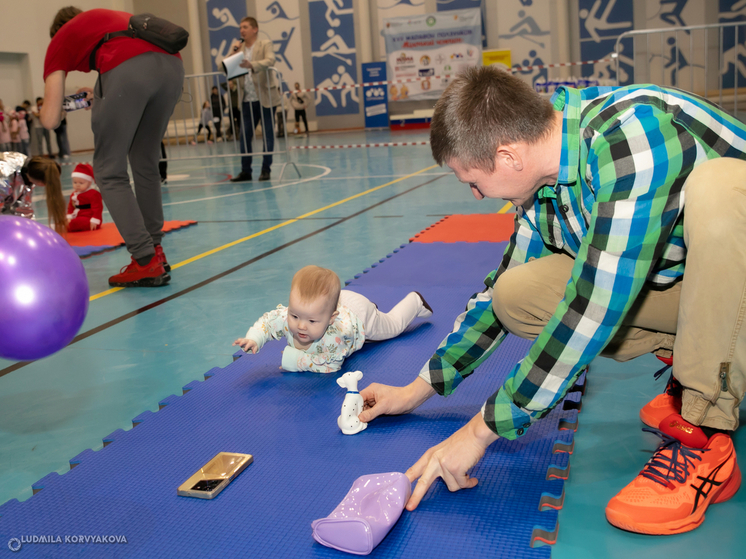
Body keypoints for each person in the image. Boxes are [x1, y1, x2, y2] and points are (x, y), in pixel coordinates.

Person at [358, 66, 746, 535]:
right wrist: (416, 390)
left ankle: (704, 432)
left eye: (472, 182)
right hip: (702, 289)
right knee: (516, 293)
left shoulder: (631, 138)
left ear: (507, 156)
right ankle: (695, 366)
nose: (478, 195)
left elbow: (594, 307)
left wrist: (482, 430)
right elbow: (494, 297)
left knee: (721, 189)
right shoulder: (547, 181)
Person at [40, 7, 184, 287]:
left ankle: (144, 260)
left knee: (108, 170)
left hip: (128, 70)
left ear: (59, 31)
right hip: (173, 67)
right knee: (145, 161)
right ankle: (155, 249)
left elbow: (48, 119)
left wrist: (59, 106)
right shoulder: (106, 19)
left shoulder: (59, 41)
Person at [233, 265, 433, 373]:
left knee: (392, 326)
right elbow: (268, 322)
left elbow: (330, 365)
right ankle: (372, 308)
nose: (301, 325)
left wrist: (294, 361)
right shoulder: (296, 315)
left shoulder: (334, 338)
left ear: (331, 319)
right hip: (333, 302)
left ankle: (415, 301)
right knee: (304, 313)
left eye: (311, 322)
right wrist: (255, 338)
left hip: (359, 315)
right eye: (295, 316)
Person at [226, 16, 281, 183]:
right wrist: (233, 52)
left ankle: (266, 170)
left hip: (265, 98)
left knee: (268, 135)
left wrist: (252, 65)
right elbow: (222, 67)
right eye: (240, 27)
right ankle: (246, 171)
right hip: (247, 99)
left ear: (254, 29)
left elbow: (270, 60)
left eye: (245, 27)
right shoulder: (238, 47)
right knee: (244, 136)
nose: (241, 30)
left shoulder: (265, 44)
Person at [16, 156, 68, 234]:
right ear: (42, 183)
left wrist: (32, 230)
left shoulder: (30, 170)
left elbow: (23, 208)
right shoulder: (6, 176)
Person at [66, 162, 103, 231]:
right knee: (66, 221)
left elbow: (97, 208)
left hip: (89, 218)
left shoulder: (93, 194)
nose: (77, 185)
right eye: (75, 182)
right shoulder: (73, 194)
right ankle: (64, 225)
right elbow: (70, 207)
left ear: (89, 183)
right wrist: (69, 216)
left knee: (75, 223)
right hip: (77, 216)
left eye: (81, 183)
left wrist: (94, 220)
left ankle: (64, 227)